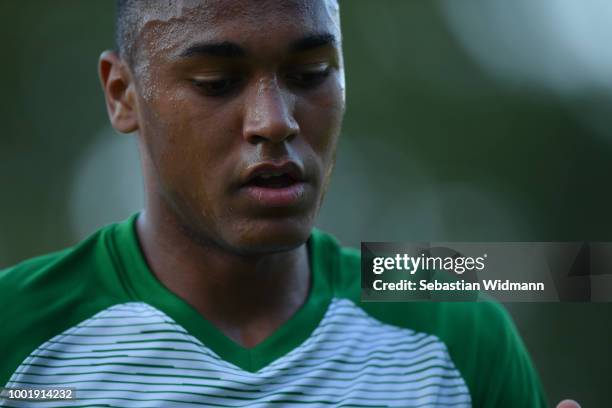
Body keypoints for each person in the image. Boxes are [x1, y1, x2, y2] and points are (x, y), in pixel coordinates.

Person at [0, 1, 549, 406]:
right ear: (123, 94)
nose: (275, 119)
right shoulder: (18, 333)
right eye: (217, 82)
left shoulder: (456, 335)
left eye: (310, 74)